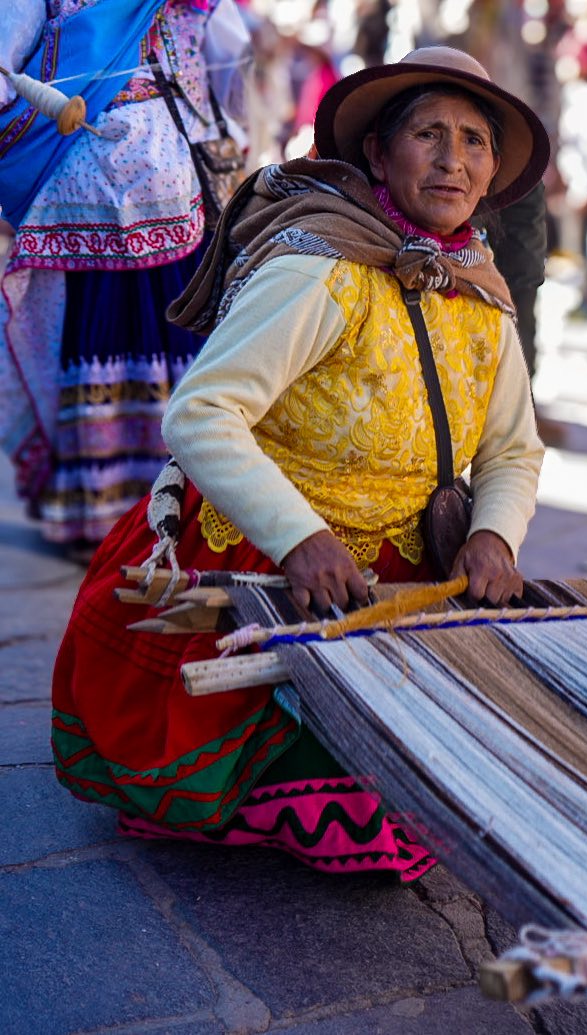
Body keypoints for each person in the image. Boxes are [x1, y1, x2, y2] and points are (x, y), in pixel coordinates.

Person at [51, 46, 548, 880]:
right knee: (373, 814)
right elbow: (201, 412)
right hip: (264, 559)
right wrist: (299, 538)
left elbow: (512, 449)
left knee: (486, 780)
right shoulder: (320, 267)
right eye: (428, 134)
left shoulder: (482, 293)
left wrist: (493, 536)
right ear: (378, 155)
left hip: (396, 575)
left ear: (494, 169)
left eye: (474, 141)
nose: (453, 160)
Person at [0, 0, 250, 552]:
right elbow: (231, 68)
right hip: (153, 186)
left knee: (106, 333)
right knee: (178, 340)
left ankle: (107, 515)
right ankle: (177, 514)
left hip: (96, 189)